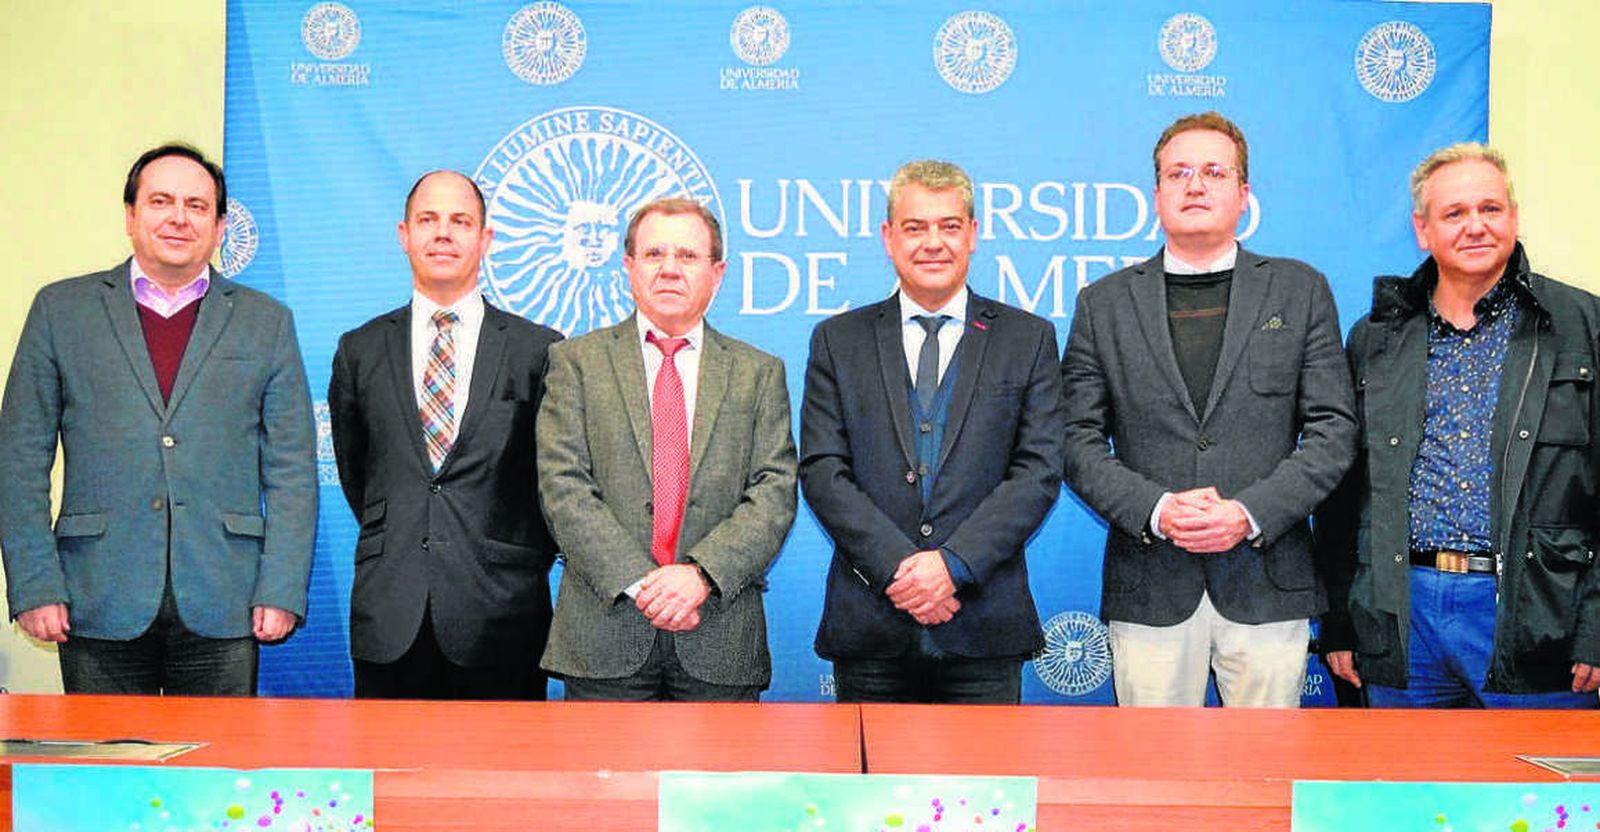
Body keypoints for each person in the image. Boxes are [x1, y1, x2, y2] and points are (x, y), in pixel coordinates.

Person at [1060, 112, 1357, 707]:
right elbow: (1074, 438)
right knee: (1155, 782)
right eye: (1179, 173)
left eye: (1214, 172)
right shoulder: (1105, 305)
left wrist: (1248, 513)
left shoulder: (1300, 290)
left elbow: (1333, 431)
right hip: (1151, 585)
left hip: (1268, 580)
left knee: (1265, 777)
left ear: (1244, 195)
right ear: (1157, 195)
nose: (1195, 185)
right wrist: (1158, 508)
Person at [0, 143, 317, 695]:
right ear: (130, 215)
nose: (178, 217)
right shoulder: (61, 310)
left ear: (219, 227)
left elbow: (291, 468)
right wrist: (34, 585)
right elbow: (20, 458)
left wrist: (282, 587)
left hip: (227, 599)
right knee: (107, 775)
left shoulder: (266, 322)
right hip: (96, 595)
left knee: (217, 777)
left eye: (197, 206)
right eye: (161, 201)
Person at [1317, 143, 1600, 708]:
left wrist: (1595, 625)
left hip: (1537, 612)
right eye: (1454, 213)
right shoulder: (1376, 339)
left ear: (1514, 218)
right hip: (1402, 614)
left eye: (1490, 209)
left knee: (1533, 798)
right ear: (1422, 230)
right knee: (1404, 794)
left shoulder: (1582, 326)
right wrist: (1341, 621)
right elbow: (1343, 495)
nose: (1476, 226)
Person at [799, 160, 1062, 703]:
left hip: (983, 621)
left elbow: (1037, 472)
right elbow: (824, 471)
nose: (932, 243)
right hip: (872, 626)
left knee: (986, 789)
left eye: (948, 226)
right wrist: (902, 571)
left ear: (972, 233)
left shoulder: (1028, 338)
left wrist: (954, 567)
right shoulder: (837, 341)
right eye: (915, 227)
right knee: (868, 789)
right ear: (888, 238)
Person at [536, 197, 796, 701]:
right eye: (654, 254)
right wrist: (641, 583)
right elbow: (562, 487)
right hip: (603, 635)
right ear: (628, 267)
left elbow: (774, 491)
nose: (670, 270)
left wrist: (700, 576)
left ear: (718, 273)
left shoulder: (758, 373)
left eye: (688, 256)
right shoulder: (576, 363)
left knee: (720, 784)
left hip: (719, 635)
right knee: (606, 783)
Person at [328, 170, 563, 700]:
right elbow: (360, 477)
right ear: (403, 234)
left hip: (503, 618)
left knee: (501, 782)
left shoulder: (539, 351)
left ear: (485, 239)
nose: (443, 233)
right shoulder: (360, 349)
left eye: (460, 221)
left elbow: (551, 484)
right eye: (427, 220)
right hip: (392, 617)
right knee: (391, 779)